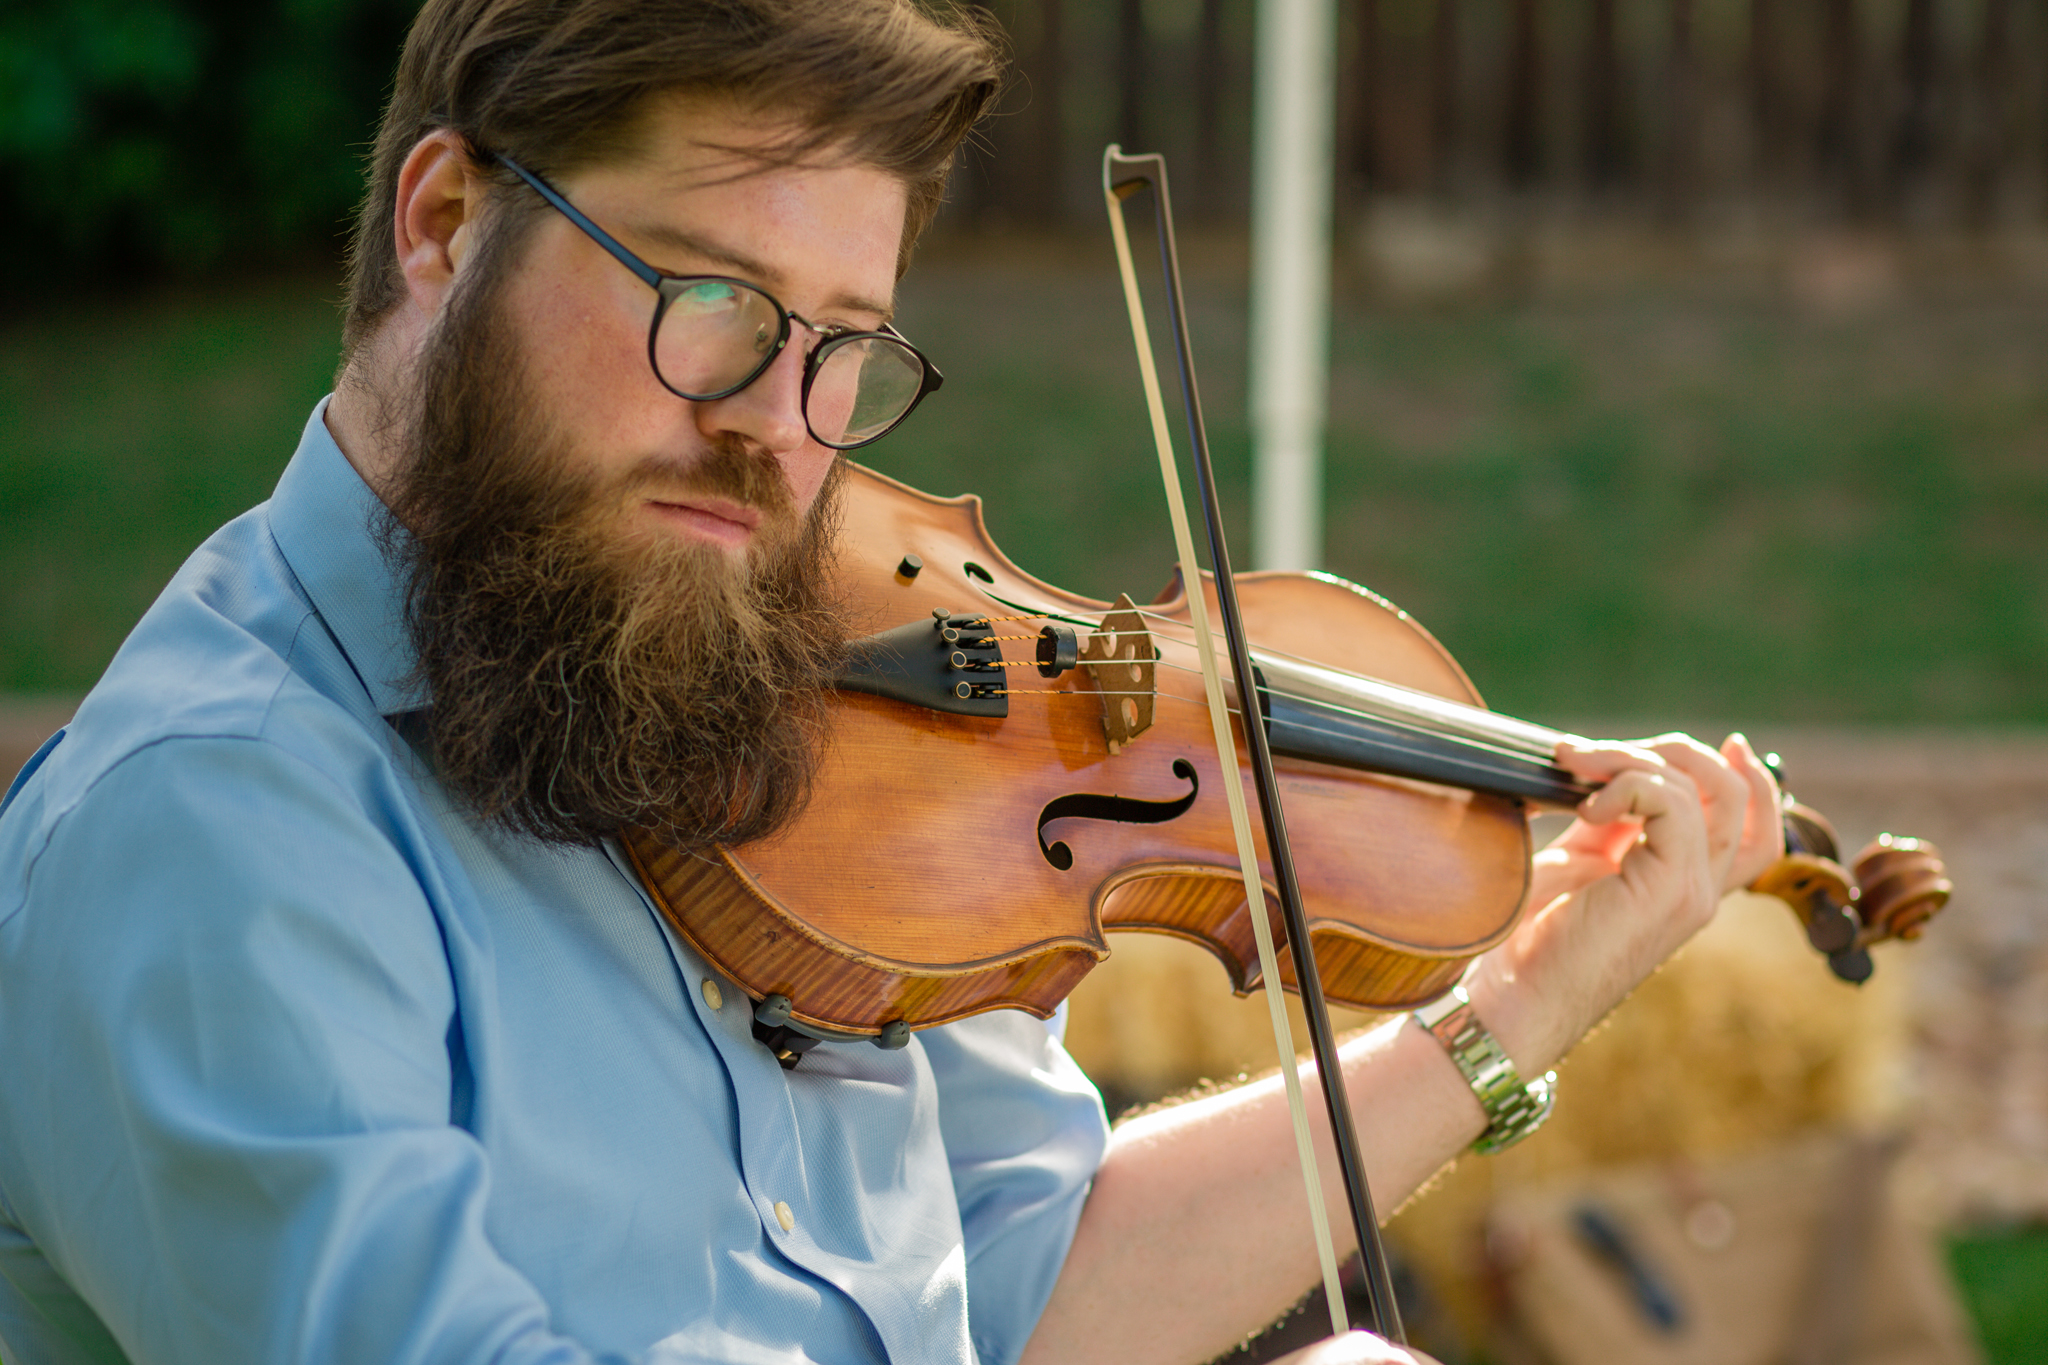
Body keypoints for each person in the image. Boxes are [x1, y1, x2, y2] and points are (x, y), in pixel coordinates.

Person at [0, 1, 1784, 1362]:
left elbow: (1029, 1271)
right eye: (711, 303)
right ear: (449, 222)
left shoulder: (725, 684)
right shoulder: (212, 827)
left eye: (846, 349)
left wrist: (1518, 1006)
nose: (780, 429)